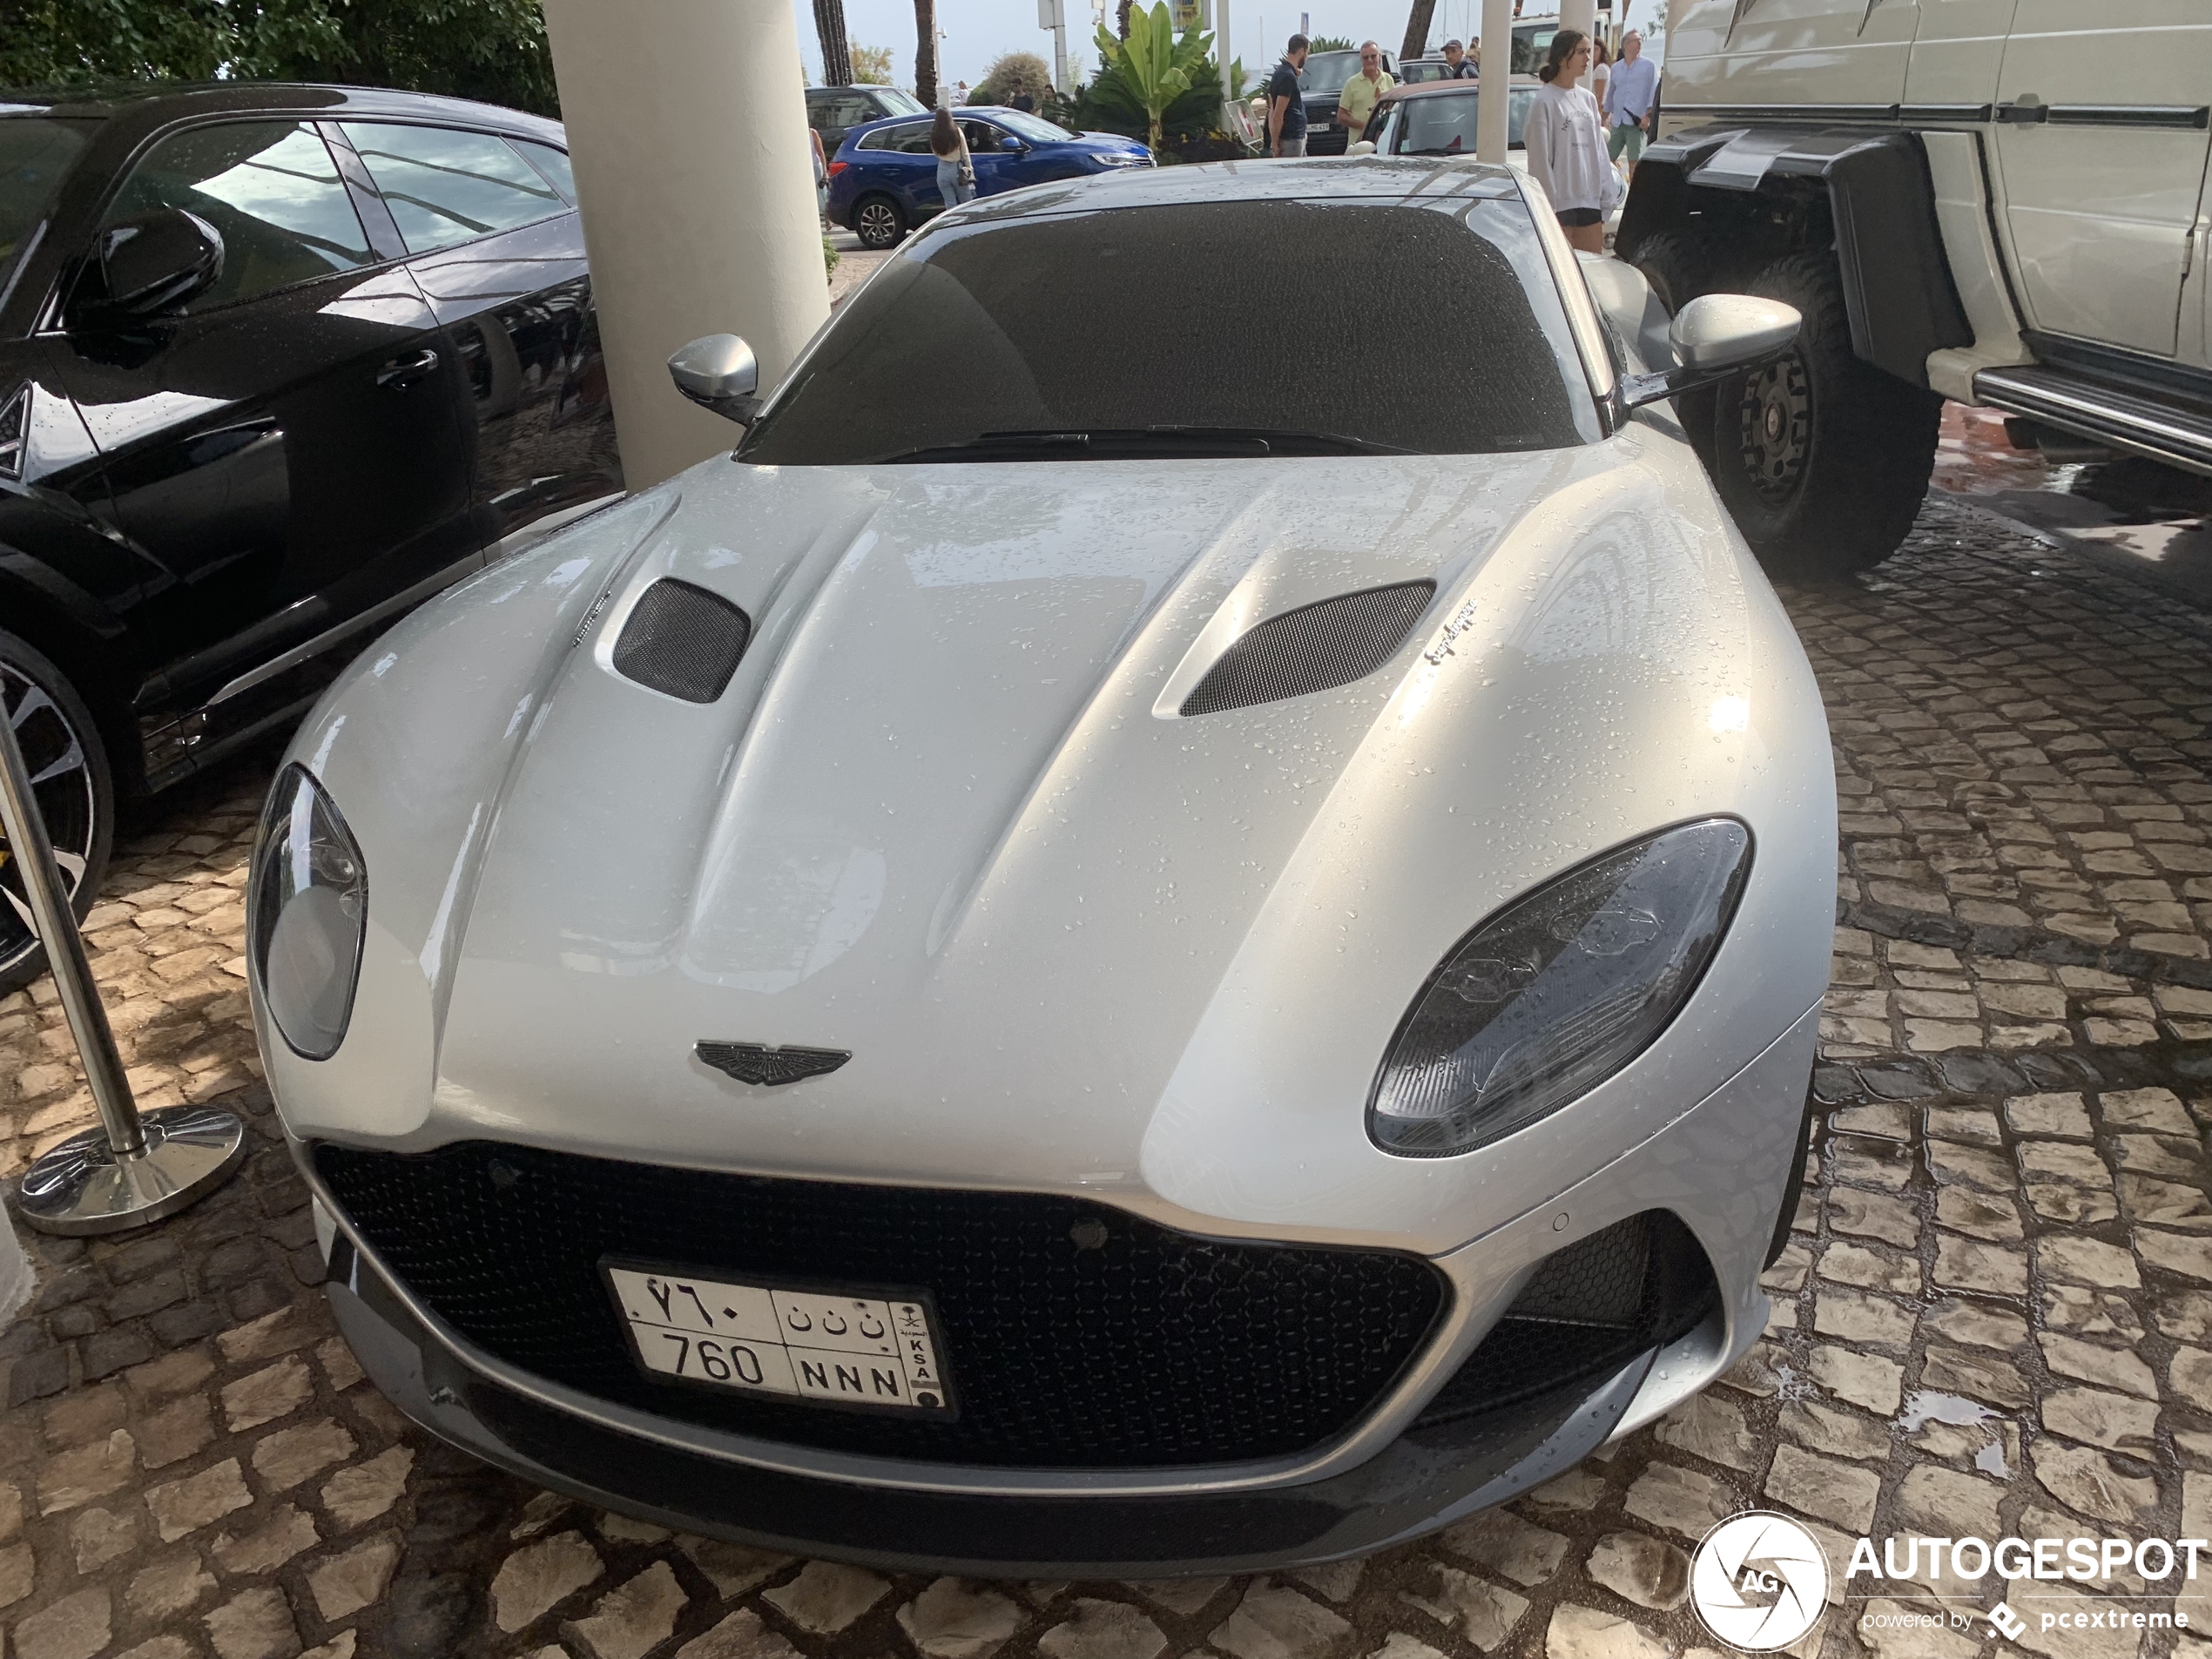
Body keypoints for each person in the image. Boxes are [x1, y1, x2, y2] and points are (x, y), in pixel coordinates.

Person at [1523, 29, 1619, 253]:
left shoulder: (1588, 99)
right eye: (1581, 52)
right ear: (1563, 56)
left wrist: (1607, 197)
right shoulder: (1544, 101)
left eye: (1588, 51)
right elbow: (1540, 160)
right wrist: (1548, 208)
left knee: (1590, 274)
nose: (1588, 58)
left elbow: (1599, 153)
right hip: (1560, 207)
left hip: (1589, 202)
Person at [1605, 30, 1659, 178]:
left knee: (1634, 159)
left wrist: (1647, 116)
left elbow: (1653, 92)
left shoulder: (1648, 66)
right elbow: (1611, 93)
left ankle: (1633, 193)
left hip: (1636, 122)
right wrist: (1603, 116)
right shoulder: (1616, 68)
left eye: (1640, 40)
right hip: (1618, 121)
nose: (1640, 43)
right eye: (1636, 40)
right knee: (1608, 157)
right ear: (1626, 45)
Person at [1336, 41, 1395, 143]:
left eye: (1373, 56)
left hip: (1383, 141)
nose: (1370, 60)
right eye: (1366, 57)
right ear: (1361, 60)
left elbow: (1393, 107)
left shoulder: (1388, 79)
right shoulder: (1351, 84)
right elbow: (1341, 116)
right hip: (1358, 142)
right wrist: (1365, 126)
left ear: (1379, 56)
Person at [1268, 34, 1311, 157]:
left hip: (1297, 136)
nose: (1306, 57)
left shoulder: (1281, 73)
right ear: (1301, 51)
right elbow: (1278, 114)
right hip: (1291, 139)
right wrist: (1275, 145)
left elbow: (1272, 106)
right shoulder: (1288, 77)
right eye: (1306, 53)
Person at [930, 107, 975, 208]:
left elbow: (935, 153)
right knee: (966, 202)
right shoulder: (956, 131)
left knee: (950, 203)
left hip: (942, 169)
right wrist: (969, 168)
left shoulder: (934, 133)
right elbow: (965, 152)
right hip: (957, 169)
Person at [809, 125, 829, 223]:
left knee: (821, 192)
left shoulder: (812, 133)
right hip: (805, 166)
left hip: (815, 165)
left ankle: (827, 217)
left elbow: (820, 152)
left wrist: (825, 172)